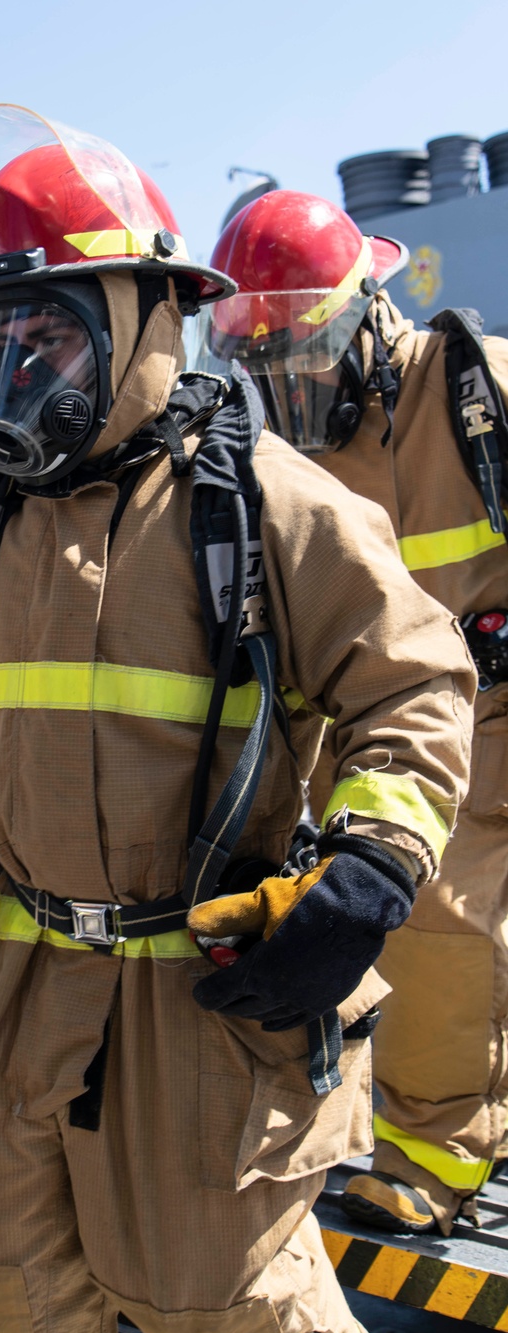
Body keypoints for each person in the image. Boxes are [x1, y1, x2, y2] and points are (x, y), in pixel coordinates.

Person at [0, 107, 476, 1333]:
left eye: (49, 331)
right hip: (20, 998)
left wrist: (367, 866)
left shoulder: (266, 505)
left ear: (142, 318)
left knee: (203, 1291)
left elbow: (414, 686)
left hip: (200, 993)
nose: (18, 366)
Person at [206, 189, 508, 1238]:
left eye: (312, 347)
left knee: (443, 913)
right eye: (266, 364)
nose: (293, 381)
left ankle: (438, 1147)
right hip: (385, 715)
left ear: (370, 311)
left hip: (491, 708)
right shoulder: (278, 452)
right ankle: (418, 1113)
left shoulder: (474, 390)